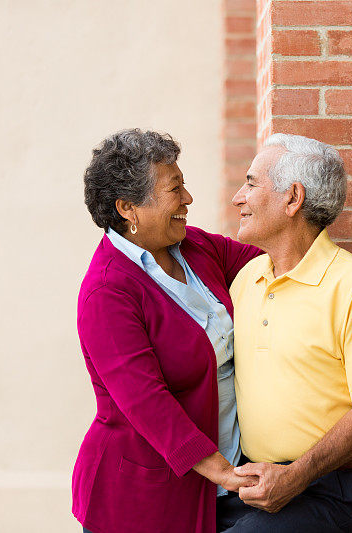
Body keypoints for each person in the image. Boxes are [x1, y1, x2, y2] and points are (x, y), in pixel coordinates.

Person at [73, 129, 262, 533]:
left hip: (226, 484)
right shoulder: (107, 291)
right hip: (140, 500)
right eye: (175, 189)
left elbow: (263, 265)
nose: (188, 199)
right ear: (128, 208)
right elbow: (144, 400)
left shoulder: (193, 246)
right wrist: (221, 470)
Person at [219, 133, 352, 532]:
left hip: (328, 488)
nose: (237, 198)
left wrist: (298, 474)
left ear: (292, 198)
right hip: (251, 481)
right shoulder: (246, 279)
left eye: (250, 183)